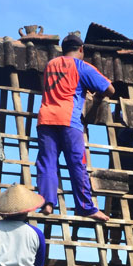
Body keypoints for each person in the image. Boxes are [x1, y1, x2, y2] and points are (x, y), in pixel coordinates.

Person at [35, 33, 114, 222]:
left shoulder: (50, 65)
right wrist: (96, 94)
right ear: (81, 49)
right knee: (77, 163)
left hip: (46, 118)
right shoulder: (81, 66)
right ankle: (86, 207)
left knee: (47, 162)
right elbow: (109, 89)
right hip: (69, 120)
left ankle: (47, 203)